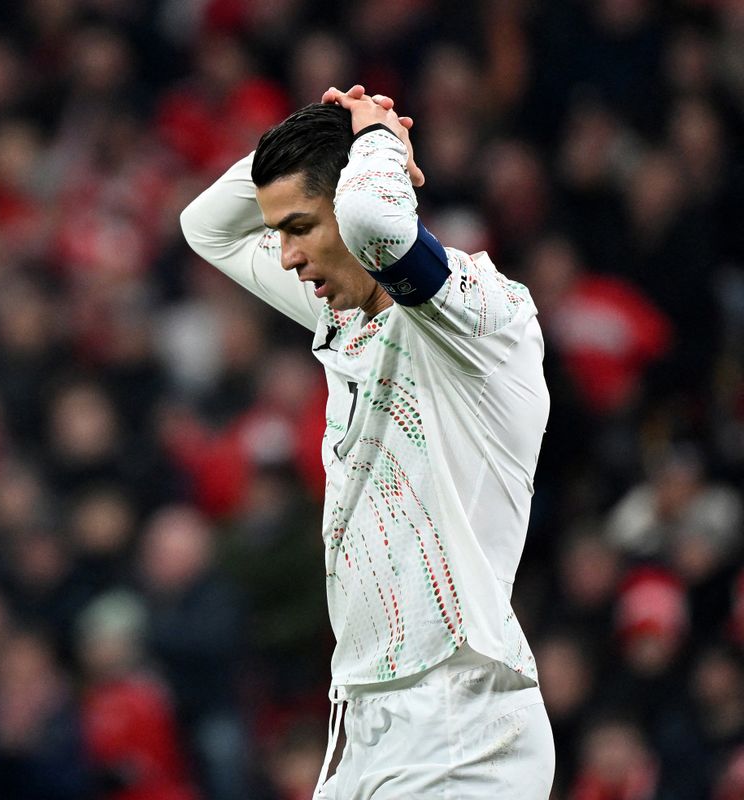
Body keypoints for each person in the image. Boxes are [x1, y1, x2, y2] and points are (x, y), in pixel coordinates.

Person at [179, 83, 554, 797]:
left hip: (464, 725)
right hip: (368, 725)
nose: (285, 256)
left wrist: (379, 138)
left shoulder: (479, 316)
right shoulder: (350, 311)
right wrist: (328, 126)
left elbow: (375, 222)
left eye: (298, 227)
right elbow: (207, 226)